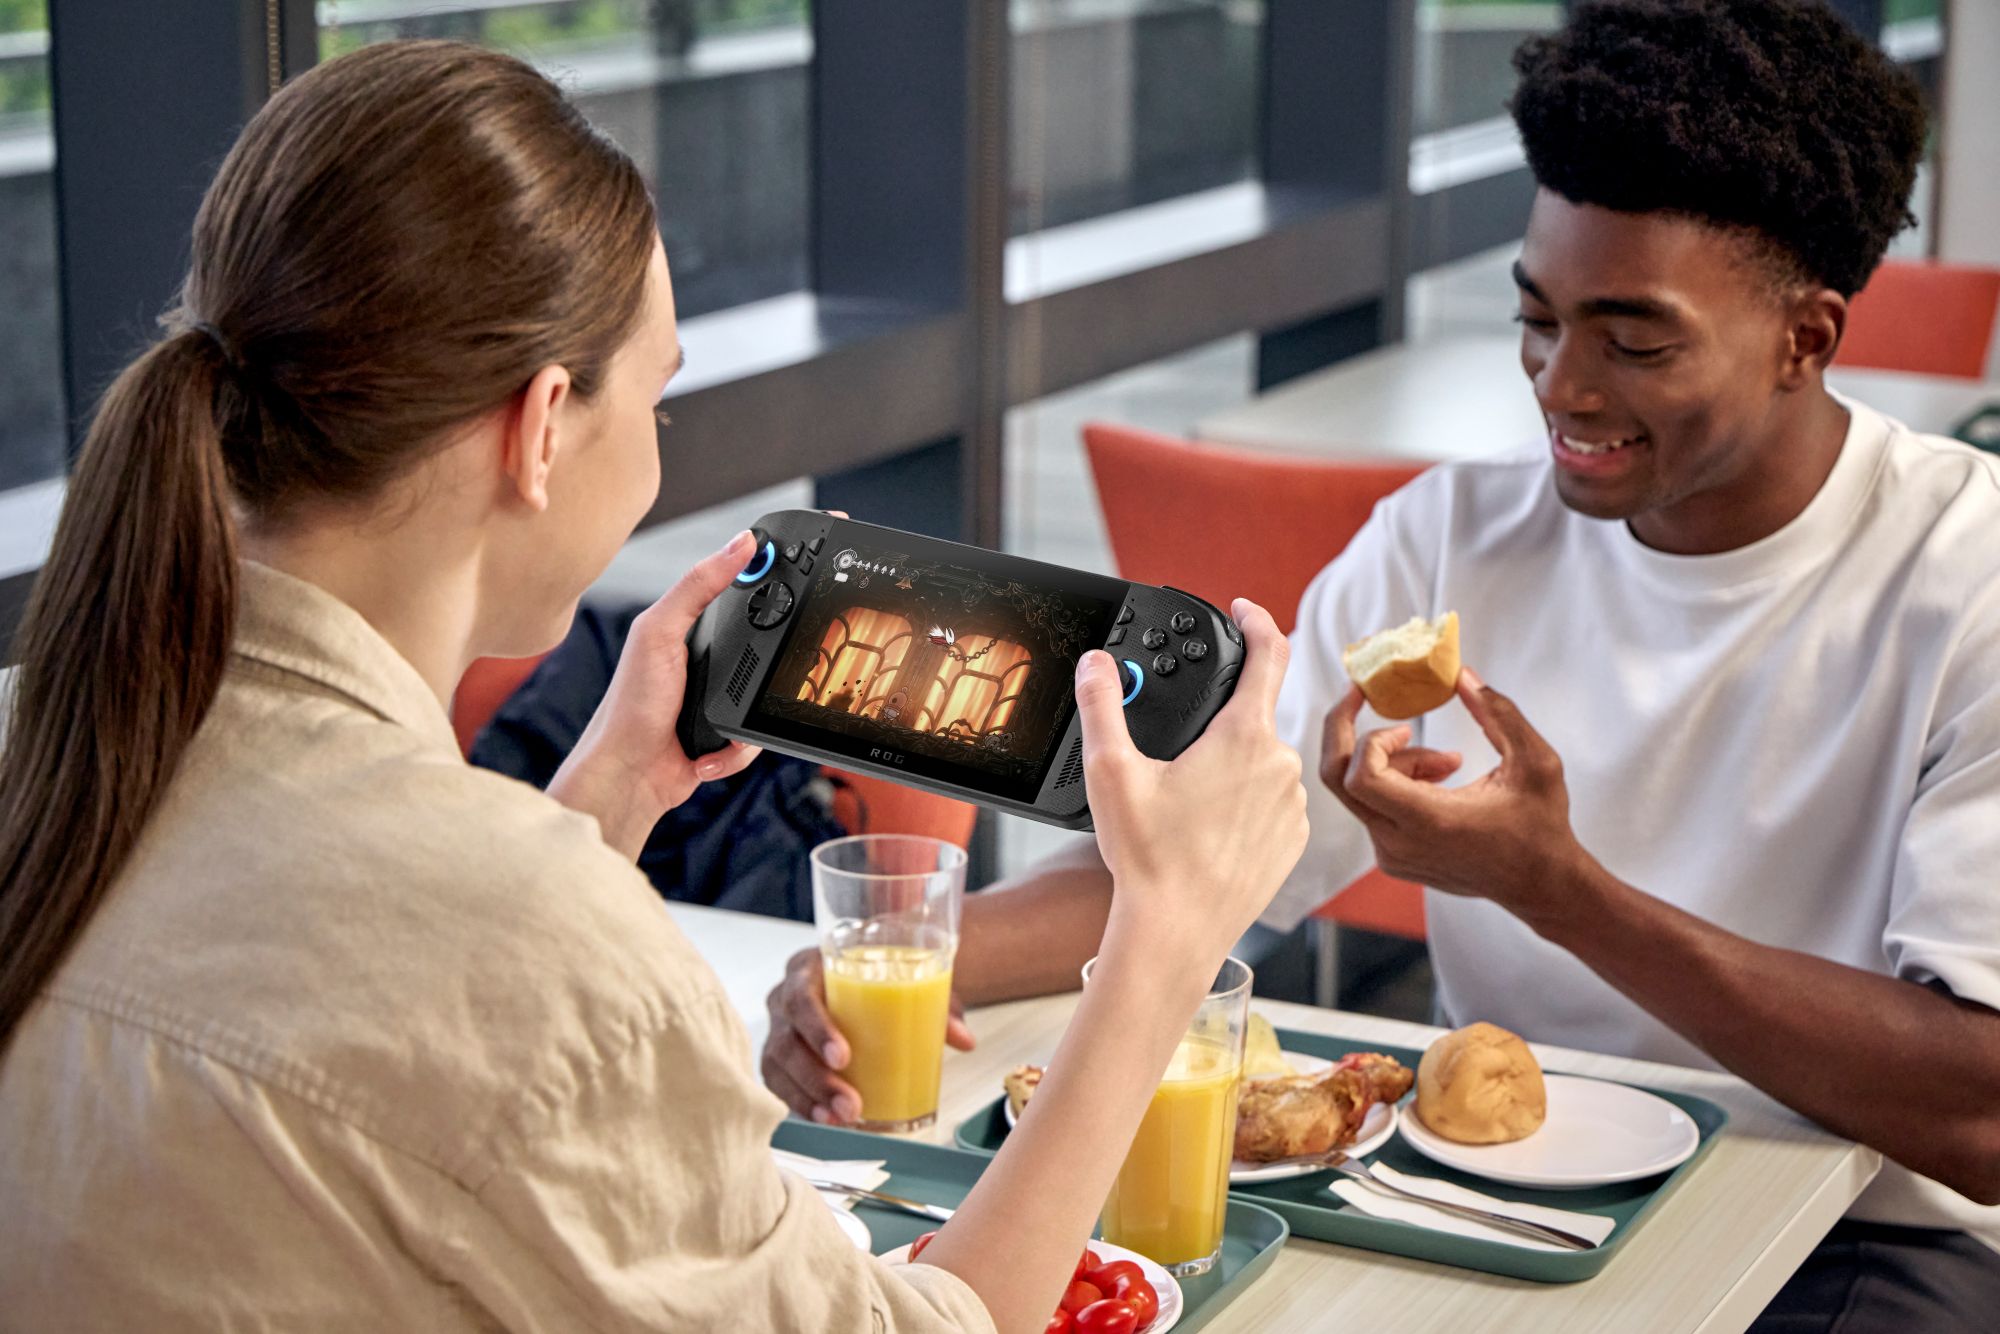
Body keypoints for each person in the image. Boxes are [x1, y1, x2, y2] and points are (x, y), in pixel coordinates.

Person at [0, 41, 1310, 1333]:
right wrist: (1166, 943)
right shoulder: (532, 932)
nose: (660, 456)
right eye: (659, 401)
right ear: (541, 427)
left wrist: (608, 798)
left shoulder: (56, 746)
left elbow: (405, 1038)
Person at [762, 2, 2000, 1325]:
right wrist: (907, 960)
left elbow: (1978, 1106)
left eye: (1634, 342)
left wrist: (1556, 887)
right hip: (1478, 1197)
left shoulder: (1965, 578)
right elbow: (1194, 862)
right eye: (1538, 318)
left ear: (1808, 339)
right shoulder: (1449, 539)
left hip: (1854, 1230)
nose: (1563, 387)